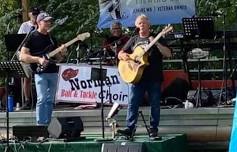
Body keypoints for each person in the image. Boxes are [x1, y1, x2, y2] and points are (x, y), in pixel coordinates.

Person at [117, 14, 172, 138]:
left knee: (155, 104)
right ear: (137, 26)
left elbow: (168, 54)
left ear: (149, 25)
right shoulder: (134, 39)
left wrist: (156, 43)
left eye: (144, 23)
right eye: (140, 23)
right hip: (136, 78)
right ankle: (130, 129)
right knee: (133, 103)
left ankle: (153, 129)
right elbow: (120, 53)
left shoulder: (156, 37)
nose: (142, 25)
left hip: (154, 77)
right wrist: (125, 57)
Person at [19, 12, 66, 125]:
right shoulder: (32, 36)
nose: (49, 23)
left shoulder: (52, 38)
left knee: (50, 100)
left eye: (50, 21)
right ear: (39, 22)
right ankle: (40, 126)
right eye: (46, 21)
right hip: (40, 72)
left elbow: (58, 59)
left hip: (53, 72)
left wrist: (62, 53)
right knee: (42, 98)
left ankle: (48, 125)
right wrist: (38, 60)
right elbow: (22, 56)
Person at [18, 7, 41, 110]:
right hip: (27, 55)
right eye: (34, 14)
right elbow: (19, 41)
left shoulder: (41, 25)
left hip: (38, 55)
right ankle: (27, 100)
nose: (35, 16)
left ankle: (39, 99)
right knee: (27, 78)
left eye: (37, 14)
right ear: (29, 14)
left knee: (41, 76)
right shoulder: (25, 26)